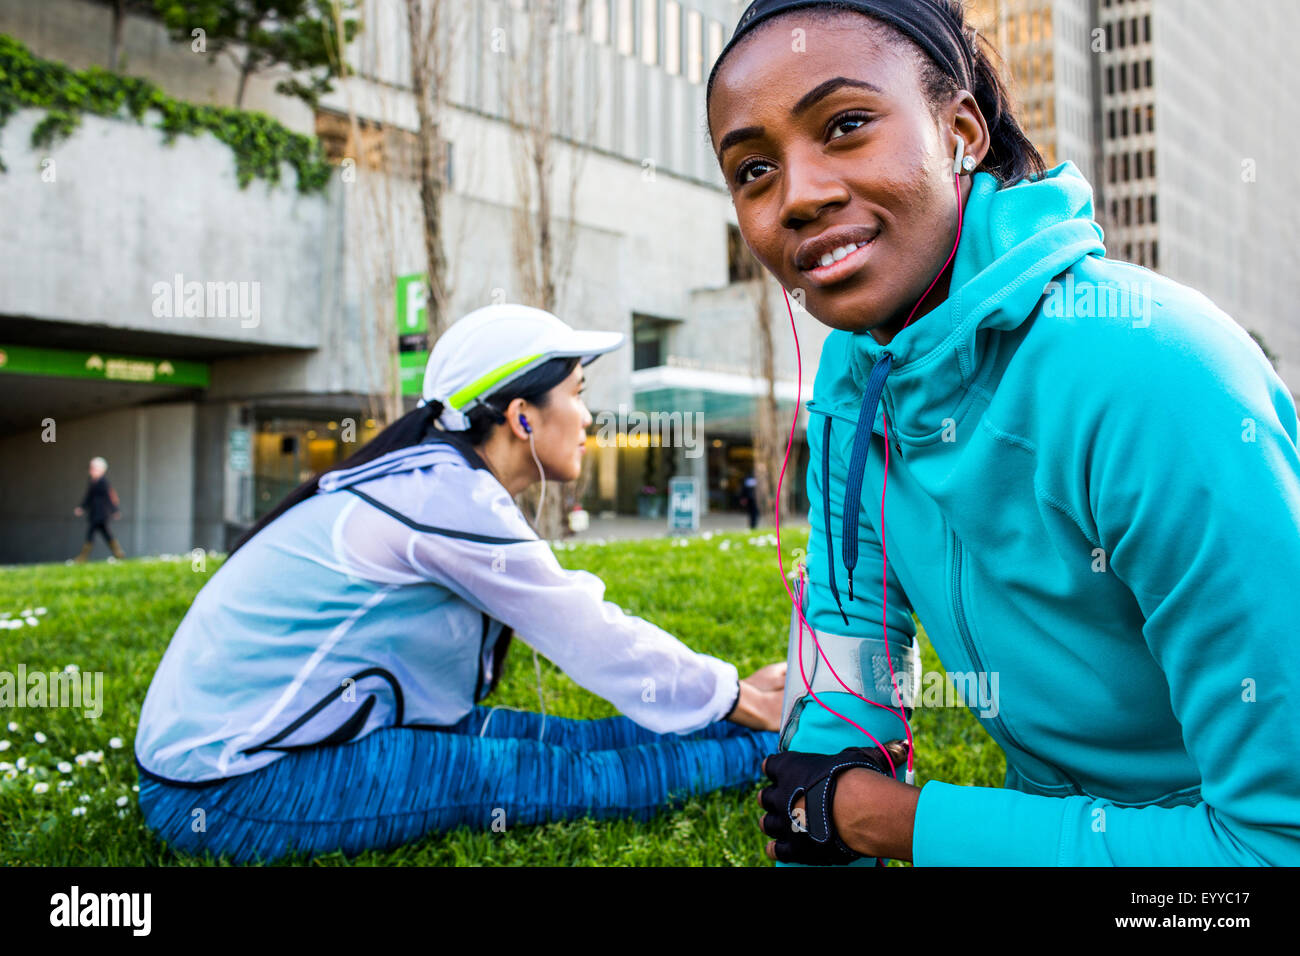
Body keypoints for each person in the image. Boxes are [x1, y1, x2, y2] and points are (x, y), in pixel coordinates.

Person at [706, 0, 1300, 866]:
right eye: (753, 169)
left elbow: (1273, 850)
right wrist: (825, 810)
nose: (798, 195)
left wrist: (895, 822)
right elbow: (846, 643)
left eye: (846, 125)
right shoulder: (855, 375)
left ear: (961, 132)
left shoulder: (1154, 374)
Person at [134, 303, 785, 864]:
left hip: (245, 758)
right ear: (522, 416)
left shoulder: (436, 480)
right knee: (562, 777)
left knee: (561, 740)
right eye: (580, 392)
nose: (591, 418)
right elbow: (587, 632)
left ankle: (761, 732)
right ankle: (779, 745)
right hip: (227, 790)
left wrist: (723, 695)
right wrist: (740, 700)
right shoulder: (440, 495)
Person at [73, 456, 125, 562]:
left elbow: (110, 497)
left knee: (94, 534)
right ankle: (118, 553)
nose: (91, 470)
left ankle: (83, 557)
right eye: (91, 468)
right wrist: (82, 507)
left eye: (94, 468)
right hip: (94, 513)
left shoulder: (103, 482)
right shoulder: (92, 481)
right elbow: (88, 497)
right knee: (103, 534)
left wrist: (115, 510)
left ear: (101, 469)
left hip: (102, 513)